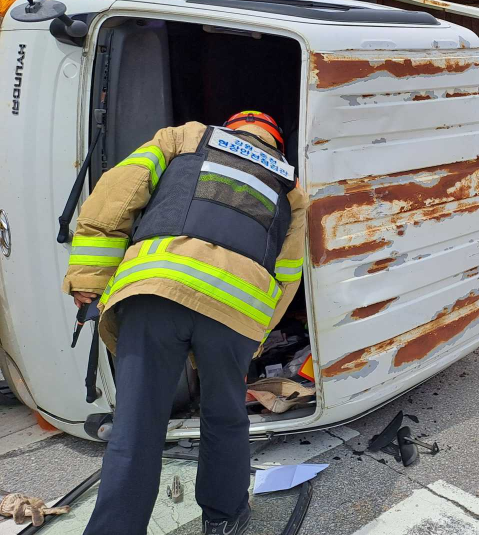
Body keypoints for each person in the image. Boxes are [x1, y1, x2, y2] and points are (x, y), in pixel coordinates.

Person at [62, 111, 307, 535]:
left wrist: (90, 276)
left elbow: (118, 193)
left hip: (158, 289)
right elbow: (287, 273)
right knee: (226, 417)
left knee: (137, 423)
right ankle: (225, 517)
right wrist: (256, 334)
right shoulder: (291, 188)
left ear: (231, 127)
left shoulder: (187, 136)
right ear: (275, 144)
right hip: (236, 308)